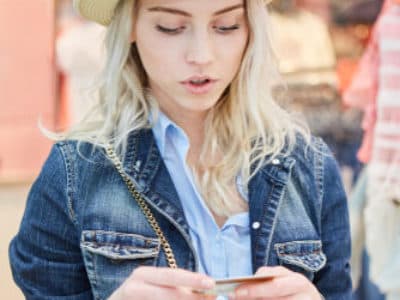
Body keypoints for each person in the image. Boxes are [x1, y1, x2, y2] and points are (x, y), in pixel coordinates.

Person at [9, 0, 352, 299]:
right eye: (170, 27)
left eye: (226, 26)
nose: (202, 55)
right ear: (130, 26)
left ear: (251, 28)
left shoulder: (309, 165)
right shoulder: (76, 173)